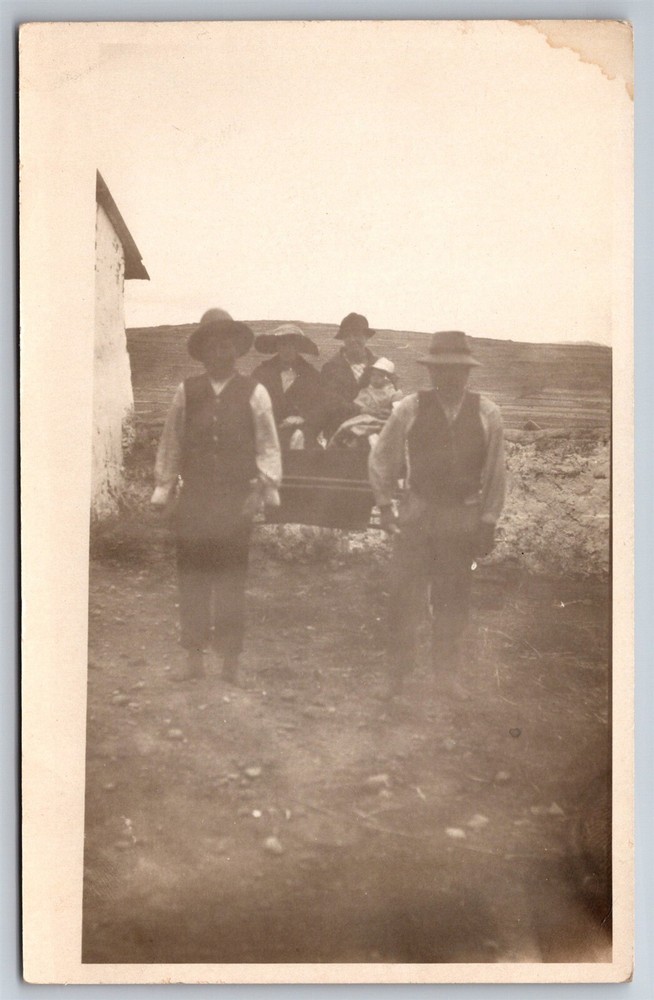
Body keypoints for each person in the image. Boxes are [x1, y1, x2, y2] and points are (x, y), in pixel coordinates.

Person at [369, 330, 506, 701]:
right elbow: (382, 458)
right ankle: (396, 676)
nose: (449, 377)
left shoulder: (486, 412)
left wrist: (488, 521)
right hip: (416, 517)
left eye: (457, 370)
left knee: (453, 598)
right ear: (430, 372)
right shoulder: (409, 408)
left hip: (461, 520)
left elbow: (495, 472)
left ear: (467, 372)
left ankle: (445, 675)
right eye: (441, 370)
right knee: (402, 598)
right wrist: (385, 506)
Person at [151, 309, 281, 684]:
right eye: (211, 343)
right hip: (194, 502)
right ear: (203, 350)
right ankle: (193, 657)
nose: (219, 351)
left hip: (235, 503)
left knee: (230, 582)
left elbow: (268, 444)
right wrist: (164, 488)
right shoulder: (186, 391)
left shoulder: (255, 393)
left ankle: (230, 663)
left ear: (236, 350)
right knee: (192, 578)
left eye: (225, 343)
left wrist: (265, 488)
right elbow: (171, 441)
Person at [252, 324, 323, 449]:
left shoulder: (312, 375)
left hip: (301, 434)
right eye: (283, 344)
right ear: (277, 346)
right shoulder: (261, 373)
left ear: (298, 347)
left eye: (292, 345)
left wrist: (302, 418)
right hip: (266, 434)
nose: (287, 349)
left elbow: (320, 407)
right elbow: (250, 404)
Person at [319, 312, 378, 438]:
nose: (352, 340)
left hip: (375, 436)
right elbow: (331, 403)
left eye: (357, 334)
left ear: (366, 337)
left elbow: (390, 397)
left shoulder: (380, 366)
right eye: (347, 336)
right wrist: (361, 410)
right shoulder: (330, 368)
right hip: (340, 438)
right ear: (343, 339)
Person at [353, 357, 403, 421]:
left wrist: (389, 412)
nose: (375, 378)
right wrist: (365, 410)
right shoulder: (365, 391)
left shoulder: (391, 392)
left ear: (387, 379)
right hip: (367, 419)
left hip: (385, 420)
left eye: (380, 376)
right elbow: (358, 405)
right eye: (373, 375)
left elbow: (397, 408)